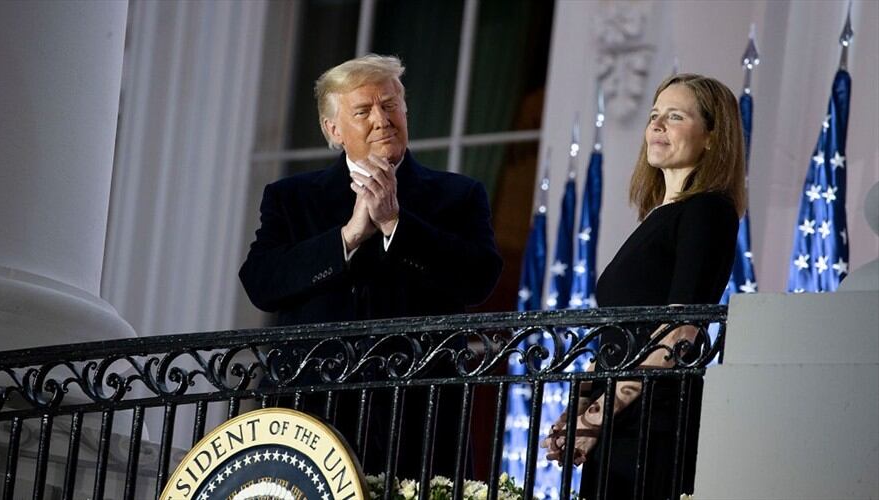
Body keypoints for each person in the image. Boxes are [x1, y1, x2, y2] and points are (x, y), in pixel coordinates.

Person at [239, 55, 503, 477]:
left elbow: (478, 280)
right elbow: (260, 282)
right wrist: (348, 237)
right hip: (313, 416)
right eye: (363, 111)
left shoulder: (459, 194)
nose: (382, 120)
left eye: (390, 105)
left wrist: (395, 223)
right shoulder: (292, 197)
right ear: (334, 130)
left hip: (422, 416)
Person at [541, 73, 745, 498]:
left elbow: (679, 333)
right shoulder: (658, 217)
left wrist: (595, 418)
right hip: (621, 416)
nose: (656, 126)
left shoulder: (708, 211)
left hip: (654, 420)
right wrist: (577, 410)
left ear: (711, 136)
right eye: (654, 115)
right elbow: (619, 339)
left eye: (675, 116)